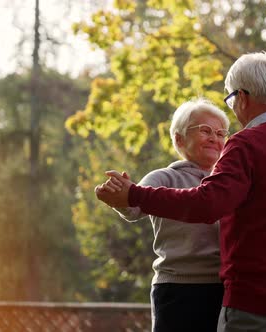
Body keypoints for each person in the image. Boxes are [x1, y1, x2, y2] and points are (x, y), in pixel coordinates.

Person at [96, 51, 266, 332]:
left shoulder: (247, 144)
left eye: (230, 102)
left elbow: (207, 204)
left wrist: (133, 194)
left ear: (241, 97)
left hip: (259, 303)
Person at [95, 98, 231, 332]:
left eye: (221, 133)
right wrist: (121, 196)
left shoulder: (227, 183)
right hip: (177, 287)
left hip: (221, 289)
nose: (214, 138)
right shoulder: (164, 177)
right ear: (179, 138)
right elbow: (134, 208)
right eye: (205, 131)